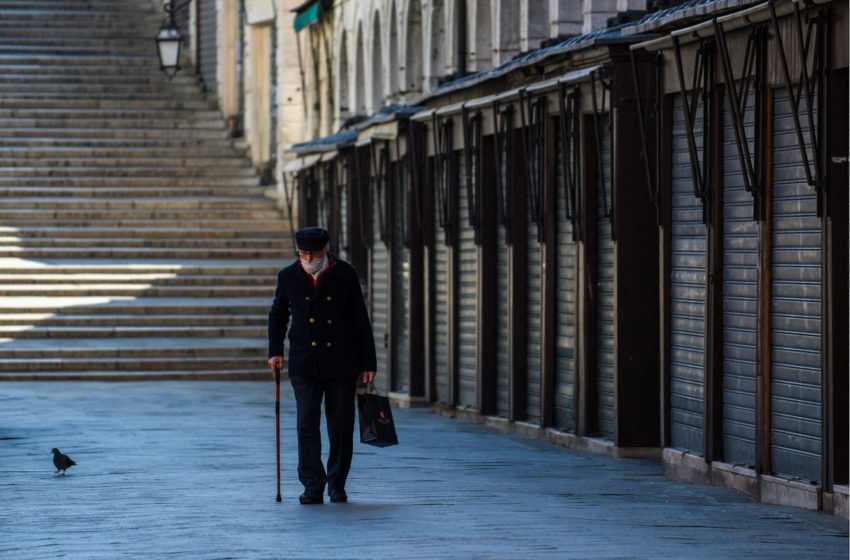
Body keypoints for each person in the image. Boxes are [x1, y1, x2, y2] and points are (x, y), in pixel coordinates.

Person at [267, 226, 377, 505]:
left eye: (312, 253)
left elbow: (360, 319)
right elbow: (278, 315)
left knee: (340, 425)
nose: (307, 258)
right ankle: (312, 484)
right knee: (307, 424)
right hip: (305, 361)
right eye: (302, 253)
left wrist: (368, 362)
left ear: (325, 250)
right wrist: (275, 351)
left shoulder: (345, 273)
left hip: (341, 360)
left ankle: (337, 483)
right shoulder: (288, 276)